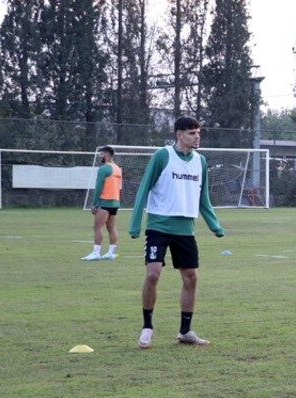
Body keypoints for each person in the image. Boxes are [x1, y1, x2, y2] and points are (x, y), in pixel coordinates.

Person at [128, 117, 225, 348]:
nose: (197, 136)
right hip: (158, 227)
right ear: (179, 134)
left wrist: (214, 224)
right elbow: (144, 187)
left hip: (186, 229)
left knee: (191, 278)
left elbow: (204, 198)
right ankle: (147, 327)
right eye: (192, 132)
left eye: (198, 132)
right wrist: (135, 224)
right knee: (153, 274)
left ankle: (185, 332)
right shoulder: (162, 155)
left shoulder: (200, 161)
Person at [82, 145, 122, 261]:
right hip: (115, 202)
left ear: (107, 154)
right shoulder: (117, 168)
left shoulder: (104, 169)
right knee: (112, 227)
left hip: (105, 202)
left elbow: (98, 187)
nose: (100, 156)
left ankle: (96, 253)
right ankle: (110, 252)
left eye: (102, 154)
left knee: (97, 227)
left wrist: (94, 204)